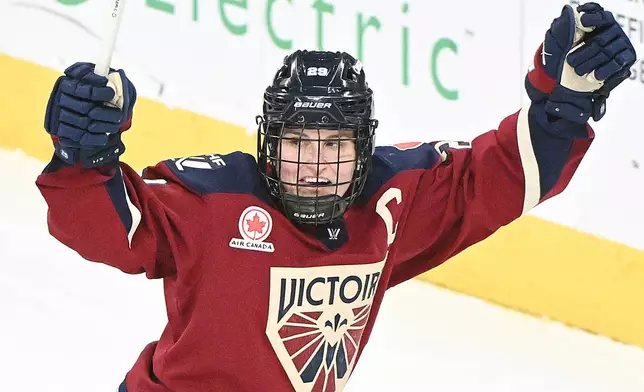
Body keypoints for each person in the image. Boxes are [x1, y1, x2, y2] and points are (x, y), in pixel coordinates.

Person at [35, 3, 635, 392]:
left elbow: (497, 178)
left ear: (366, 149)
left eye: (336, 145)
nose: (316, 167)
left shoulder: (389, 202)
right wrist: (82, 158)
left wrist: (561, 108)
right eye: (298, 142)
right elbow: (111, 230)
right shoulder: (211, 198)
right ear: (267, 144)